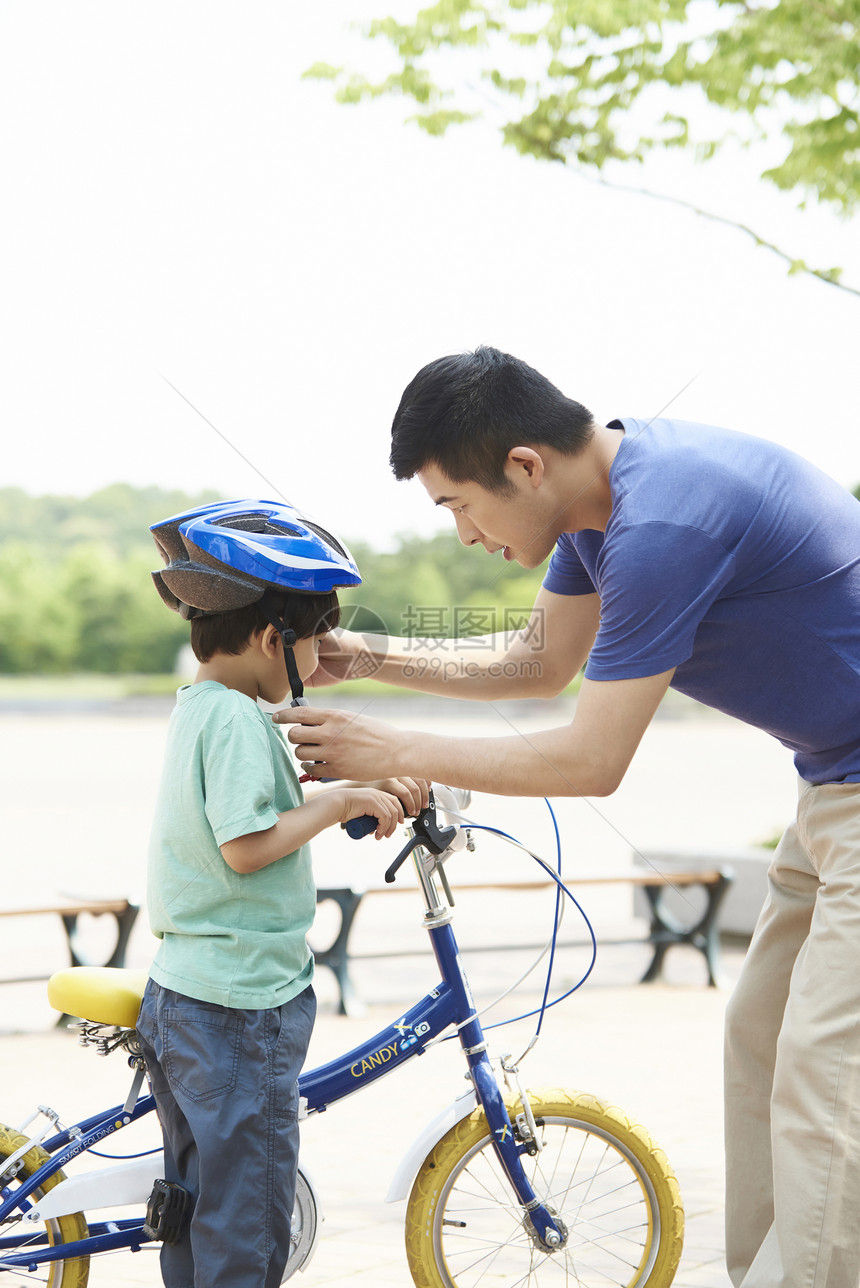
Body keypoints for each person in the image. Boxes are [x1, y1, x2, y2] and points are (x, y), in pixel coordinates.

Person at [276, 347, 860, 1288]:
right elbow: (538, 665)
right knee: (762, 1038)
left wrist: (397, 753)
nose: (463, 535)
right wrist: (367, 653)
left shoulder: (667, 523)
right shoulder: (609, 509)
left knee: (826, 1077)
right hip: (833, 783)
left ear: (524, 466)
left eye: (457, 505)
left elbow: (591, 761)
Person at [136, 498, 426, 1288]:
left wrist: (356, 789)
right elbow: (244, 847)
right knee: (250, 1211)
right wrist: (336, 803)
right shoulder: (236, 720)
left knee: (200, 1198)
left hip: (190, 997)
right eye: (317, 642)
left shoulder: (206, 706)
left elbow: (257, 813)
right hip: (239, 1008)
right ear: (274, 639)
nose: (325, 659)